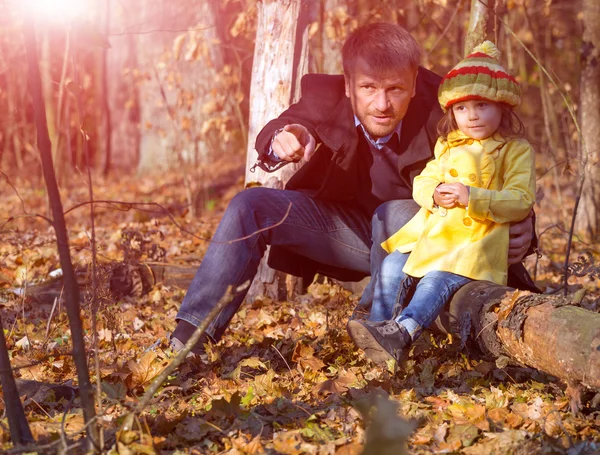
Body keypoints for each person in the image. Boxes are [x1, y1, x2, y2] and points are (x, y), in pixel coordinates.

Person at [169, 23, 538, 356]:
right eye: (368, 88)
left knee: (392, 211)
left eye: (395, 89)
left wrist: (526, 227)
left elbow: (497, 162)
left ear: (414, 84)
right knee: (249, 204)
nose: (382, 104)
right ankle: (188, 341)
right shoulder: (326, 96)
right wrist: (284, 137)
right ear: (348, 86)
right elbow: (284, 125)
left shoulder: (443, 104)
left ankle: (380, 328)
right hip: (342, 233)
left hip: (414, 235)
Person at [347, 41, 536, 365]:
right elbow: (423, 180)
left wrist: (472, 196)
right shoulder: (448, 145)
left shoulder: (514, 151)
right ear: (452, 112)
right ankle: (377, 328)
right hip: (436, 238)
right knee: (393, 264)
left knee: (436, 279)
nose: (472, 116)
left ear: (502, 106)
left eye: (481, 106)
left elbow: (520, 200)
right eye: (462, 108)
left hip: (475, 245)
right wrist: (433, 194)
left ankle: (402, 332)